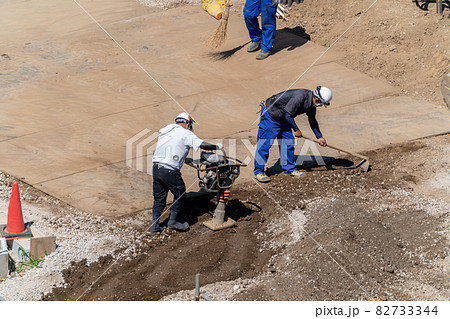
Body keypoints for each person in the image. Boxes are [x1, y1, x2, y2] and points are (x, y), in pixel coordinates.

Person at [151, 112, 223, 233]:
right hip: (169, 170)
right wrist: (217, 147)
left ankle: (155, 226)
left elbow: (172, 147)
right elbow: (203, 145)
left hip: (157, 168)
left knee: (159, 197)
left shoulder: (166, 130)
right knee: (180, 195)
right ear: (188, 123)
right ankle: (173, 222)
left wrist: (183, 159)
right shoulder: (186, 133)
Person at [254, 86, 332, 183]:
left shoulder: (312, 104)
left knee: (288, 143)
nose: (320, 105)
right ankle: (259, 171)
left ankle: (289, 169)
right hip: (271, 116)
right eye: (320, 103)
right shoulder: (300, 97)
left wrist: (319, 136)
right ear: (316, 99)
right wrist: (296, 129)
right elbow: (288, 114)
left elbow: (312, 120)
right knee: (264, 145)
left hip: (285, 118)